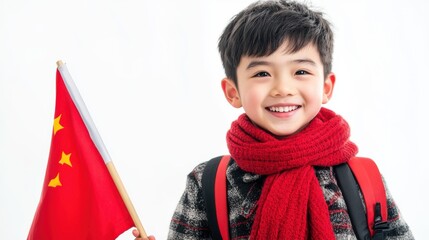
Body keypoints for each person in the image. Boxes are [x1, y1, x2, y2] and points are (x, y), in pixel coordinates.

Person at [134, 0, 414, 239]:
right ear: (233, 92)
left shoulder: (362, 178)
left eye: (301, 71)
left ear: (326, 87)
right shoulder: (210, 182)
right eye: (262, 74)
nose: (282, 88)